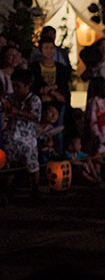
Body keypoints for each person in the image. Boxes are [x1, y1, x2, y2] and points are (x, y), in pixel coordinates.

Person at [4, 68, 42, 197]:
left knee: (32, 166)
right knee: (8, 166)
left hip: (27, 140)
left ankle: (35, 189)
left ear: (27, 85)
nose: (15, 88)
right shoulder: (10, 98)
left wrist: (17, 112)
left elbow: (36, 116)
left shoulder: (34, 100)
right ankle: (7, 191)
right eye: (13, 85)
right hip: (10, 137)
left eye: (18, 86)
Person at [30, 37, 71, 151]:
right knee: (40, 130)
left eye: (51, 48)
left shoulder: (60, 67)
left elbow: (62, 82)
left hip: (57, 103)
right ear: (41, 50)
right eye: (46, 48)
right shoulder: (35, 66)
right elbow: (37, 83)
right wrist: (53, 91)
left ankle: (58, 152)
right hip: (41, 103)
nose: (49, 51)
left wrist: (49, 89)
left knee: (58, 129)